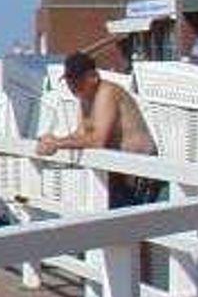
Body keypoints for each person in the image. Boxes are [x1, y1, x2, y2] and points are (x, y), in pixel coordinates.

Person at [37, 52, 161, 206]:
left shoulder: (107, 92)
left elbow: (98, 140)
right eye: (69, 80)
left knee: (129, 219)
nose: (72, 86)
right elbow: (80, 134)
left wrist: (57, 144)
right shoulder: (85, 96)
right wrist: (52, 140)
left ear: (93, 77)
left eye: (77, 80)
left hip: (141, 173)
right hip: (118, 171)